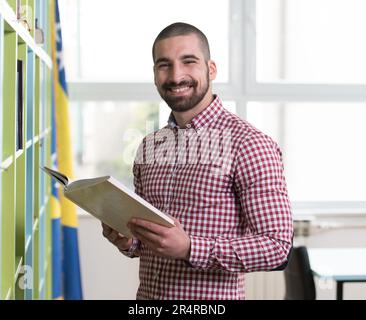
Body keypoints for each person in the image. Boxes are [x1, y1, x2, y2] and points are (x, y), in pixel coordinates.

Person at [102, 22, 293, 300]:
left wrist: (191, 248)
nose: (176, 75)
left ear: (210, 69)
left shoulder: (249, 144)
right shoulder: (149, 146)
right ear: (155, 74)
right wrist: (128, 240)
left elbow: (277, 247)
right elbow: (145, 242)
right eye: (164, 65)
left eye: (188, 61)